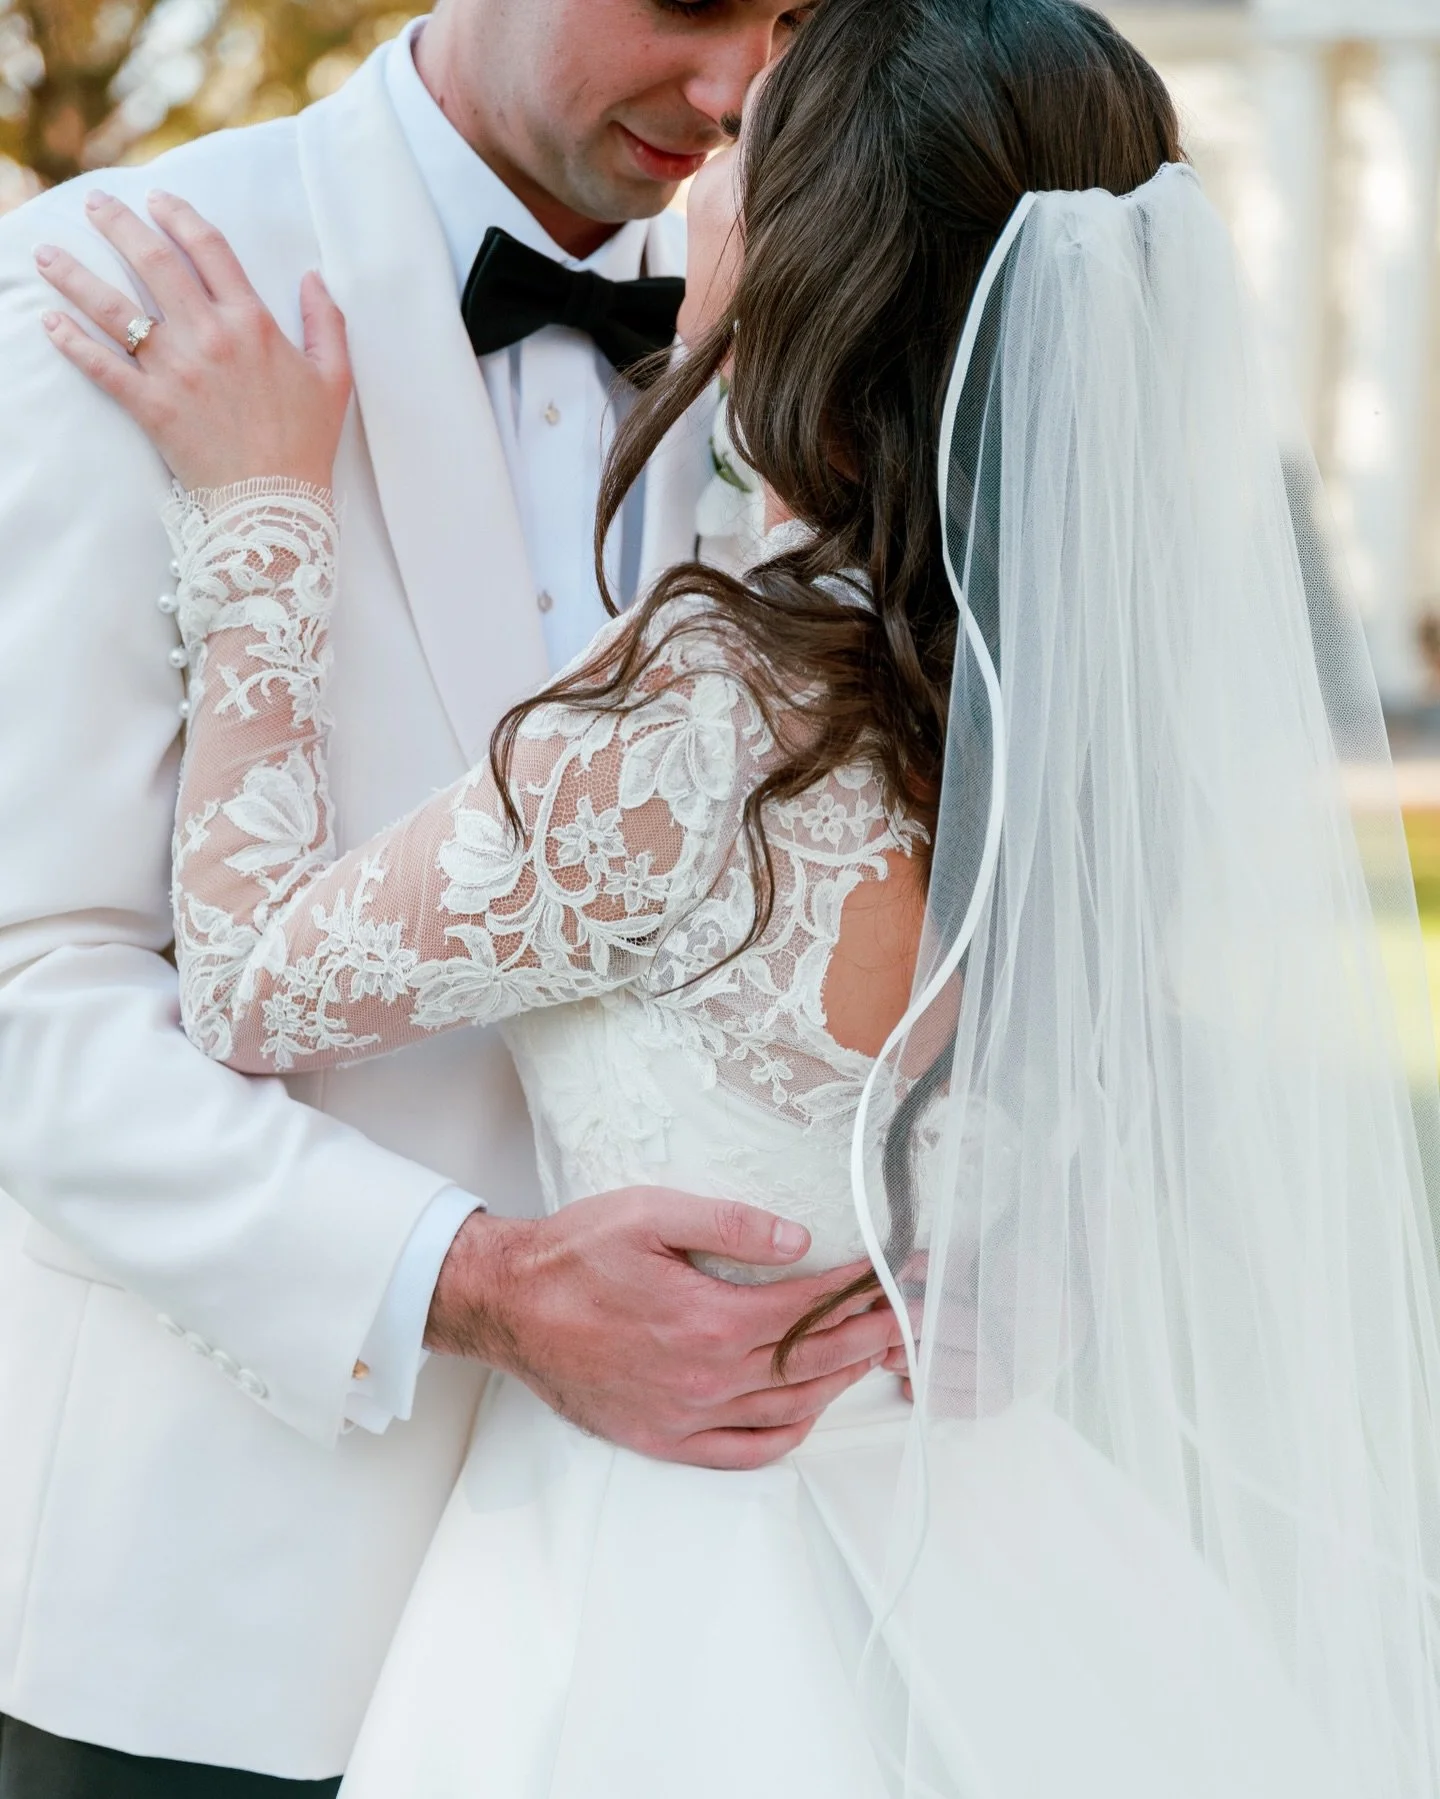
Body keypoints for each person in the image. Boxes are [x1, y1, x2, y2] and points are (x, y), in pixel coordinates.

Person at [36, 0, 1440, 1792]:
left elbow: (246, 977)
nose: (721, 128)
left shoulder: (710, 701)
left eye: (771, 110)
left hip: (654, 1577)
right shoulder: (1081, 696)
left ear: (811, 267)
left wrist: (259, 522)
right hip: (966, 1545)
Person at [0, 3, 909, 1795]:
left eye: (796, 18)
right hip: (228, 1607)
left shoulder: (820, 297)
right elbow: (29, 985)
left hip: (707, 1621)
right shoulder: (105, 291)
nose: (738, 93)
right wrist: (469, 1280)